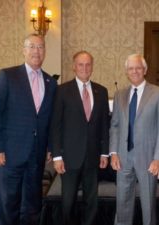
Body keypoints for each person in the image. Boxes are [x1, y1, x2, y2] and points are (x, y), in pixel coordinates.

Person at [0, 33, 57, 225]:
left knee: (32, 204)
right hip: (9, 154)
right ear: (24, 50)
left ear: (45, 52)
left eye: (41, 47)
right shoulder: (7, 76)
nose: (37, 51)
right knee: (8, 202)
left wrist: (50, 147)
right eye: (32, 46)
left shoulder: (51, 83)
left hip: (36, 155)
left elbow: (50, 119)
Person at [110, 54, 159, 225]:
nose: (134, 71)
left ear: (145, 70)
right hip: (122, 157)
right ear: (126, 72)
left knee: (148, 203)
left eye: (138, 68)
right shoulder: (119, 95)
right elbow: (114, 126)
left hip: (148, 158)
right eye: (131, 68)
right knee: (122, 201)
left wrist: (158, 158)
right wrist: (114, 153)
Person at [49, 51, 109, 225]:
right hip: (68, 157)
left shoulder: (101, 91)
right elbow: (56, 125)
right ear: (74, 67)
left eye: (88, 64)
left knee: (92, 200)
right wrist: (57, 156)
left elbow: (104, 125)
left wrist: (104, 153)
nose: (85, 68)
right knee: (68, 200)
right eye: (81, 64)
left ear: (92, 67)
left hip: (93, 156)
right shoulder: (62, 91)